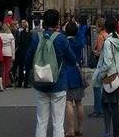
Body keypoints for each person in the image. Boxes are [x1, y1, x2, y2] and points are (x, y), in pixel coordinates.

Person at [26, 8, 77, 137]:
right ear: (57, 23)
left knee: (41, 122)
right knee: (58, 123)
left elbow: (28, 59)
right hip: (58, 83)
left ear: (44, 22)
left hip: (40, 83)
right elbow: (72, 60)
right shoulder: (61, 39)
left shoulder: (36, 37)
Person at [93, 18, 119, 137]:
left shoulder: (108, 42)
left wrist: (101, 75)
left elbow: (107, 63)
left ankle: (110, 132)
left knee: (109, 106)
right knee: (111, 106)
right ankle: (111, 132)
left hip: (110, 78)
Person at [64, 21, 85, 137]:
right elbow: (82, 34)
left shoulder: (65, 42)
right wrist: (79, 27)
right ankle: (80, 128)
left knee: (68, 102)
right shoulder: (78, 42)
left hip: (67, 72)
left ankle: (71, 129)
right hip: (77, 72)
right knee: (79, 102)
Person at [88, 18, 107, 119]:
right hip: (105, 64)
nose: (95, 28)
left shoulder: (100, 36)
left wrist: (94, 52)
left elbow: (99, 52)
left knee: (96, 86)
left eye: (96, 26)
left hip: (100, 64)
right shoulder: (107, 35)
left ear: (100, 26)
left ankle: (98, 110)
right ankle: (103, 109)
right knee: (103, 87)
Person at [14, 20, 33, 88]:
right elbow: (31, 44)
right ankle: (26, 83)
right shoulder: (30, 34)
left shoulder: (21, 33)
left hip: (21, 52)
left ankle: (19, 83)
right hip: (27, 52)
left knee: (21, 68)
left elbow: (19, 42)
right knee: (27, 69)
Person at [0, 21, 16, 88]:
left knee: (2, 68)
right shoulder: (10, 35)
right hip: (8, 53)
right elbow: (13, 46)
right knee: (7, 68)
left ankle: (2, 83)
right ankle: (6, 82)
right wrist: (13, 55)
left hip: (1, 52)